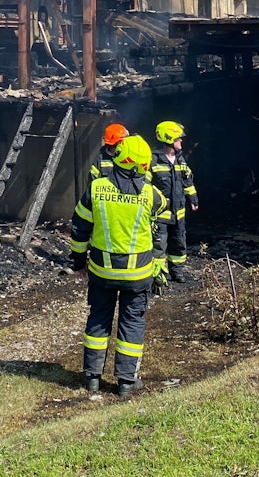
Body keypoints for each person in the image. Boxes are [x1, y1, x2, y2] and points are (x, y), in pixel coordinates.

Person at [69, 133, 167, 396]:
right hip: (138, 274)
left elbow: (79, 230)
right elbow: (162, 224)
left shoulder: (96, 188)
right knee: (132, 321)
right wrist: (160, 260)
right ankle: (126, 381)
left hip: (101, 271)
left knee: (99, 318)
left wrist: (78, 262)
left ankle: (92, 377)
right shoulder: (151, 195)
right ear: (144, 164)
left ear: (119, 157)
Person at [151, 120, 199, 282]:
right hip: (161, 214)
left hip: (178, 212)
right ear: (169, 139)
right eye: (178, 138)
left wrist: (193, 198)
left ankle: (176, 271)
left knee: (178, 242)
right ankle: (157, 275)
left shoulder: (180, 159)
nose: (181, 141)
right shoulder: (154, 160)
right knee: (159, 245)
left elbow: (187, 180)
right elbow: (146, 187)